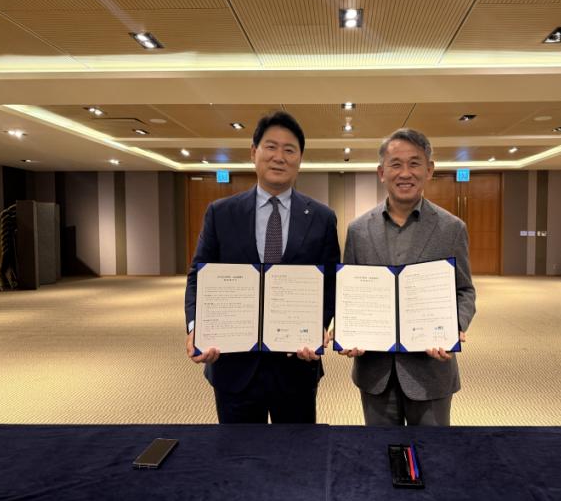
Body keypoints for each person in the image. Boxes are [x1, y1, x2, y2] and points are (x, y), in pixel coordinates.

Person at [184, 111, 340, 424]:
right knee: (238, 451)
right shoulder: (220, 213)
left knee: (296, 450)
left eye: (289, 149)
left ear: (300, 159)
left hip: (296, 365)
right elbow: (199, 277)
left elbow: (330, 283)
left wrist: (317, 327)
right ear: (254, 152)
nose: (279, 157)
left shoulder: (322, 218)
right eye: (271, 147)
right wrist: (196, 327)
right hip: (234, 364)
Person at [341, 128, 475, 426]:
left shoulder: (451, 228)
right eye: (396, 164)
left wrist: (454, 325)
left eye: (414, 163)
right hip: (375, 371)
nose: (405, 173)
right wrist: (349, 332)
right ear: (382, 172)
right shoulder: (358, 230)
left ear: (429, 170)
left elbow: (464, 290)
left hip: (431, 370)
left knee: (431, 451)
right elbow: (350, 293)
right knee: (380, 450)